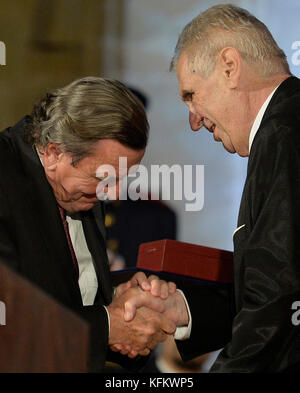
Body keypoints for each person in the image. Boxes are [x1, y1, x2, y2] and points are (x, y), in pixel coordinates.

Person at [118, 4, 300, 372]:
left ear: (229, 67)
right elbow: (274, 285)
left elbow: (279, 305)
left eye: (191, 95)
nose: (193, 121)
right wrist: (185, 311)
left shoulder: (284, 133)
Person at [0, 76, 179, 372]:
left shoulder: (78, 188)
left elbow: (65, 292)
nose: (114, 193)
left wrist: (120, 300)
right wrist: (107, 325)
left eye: (122, 178)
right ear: (54, 152)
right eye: (105, 178)